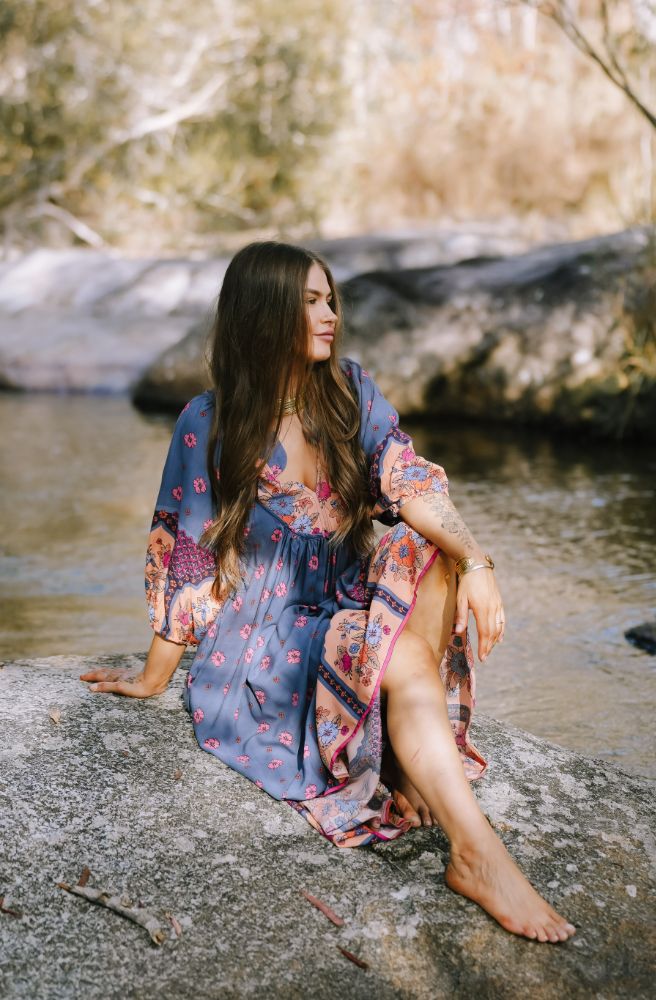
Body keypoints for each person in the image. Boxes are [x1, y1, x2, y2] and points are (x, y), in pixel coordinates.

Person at [80, 240, 576, 943]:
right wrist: (155, 674)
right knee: (401, 653)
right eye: (310, 301)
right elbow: (187, 555)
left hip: (348, 597)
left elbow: (408, 478)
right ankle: (475, 854)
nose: (331, 314)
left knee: (427, 547)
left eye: (330, 298)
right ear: (266, 312)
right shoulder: (208, 421)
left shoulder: (348, 392)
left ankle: (408, 763)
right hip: (272, 636)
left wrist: (476, 559)